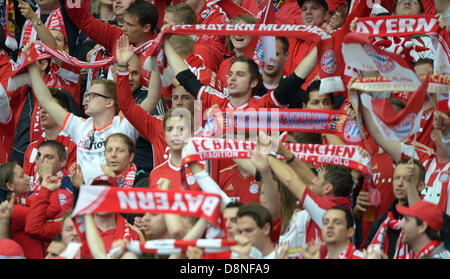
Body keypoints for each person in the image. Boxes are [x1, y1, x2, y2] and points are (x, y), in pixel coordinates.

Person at [26, 58, 140, 184]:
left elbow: (150, 99)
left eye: (93, 95)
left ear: (109, 102)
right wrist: (31, 63)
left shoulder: (123, 126)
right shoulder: (80, 126)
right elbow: (46, 101)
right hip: (84, 197)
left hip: (114, 197)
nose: (87, 99)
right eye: (87, 95)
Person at [65, 0, 158, 87]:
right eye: (124, 23)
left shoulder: (159, 54)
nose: (124, 28)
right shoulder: (118, 35)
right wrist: (71, 1)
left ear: (146, 28)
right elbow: (85, 21)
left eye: (129, 25)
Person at [363, 159, 425, 258]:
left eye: (407, 179)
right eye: (396, 178)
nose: (400, 183)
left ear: (421, 186)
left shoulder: (429, 220)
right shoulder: (381, 221)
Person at [23, 89, 77, 178]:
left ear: (63, 112)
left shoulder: (74, 144)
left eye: (48, 107)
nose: (42, 111)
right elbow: (26, 188)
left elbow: (71, 184)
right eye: (40, 107)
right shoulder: (31, 148)